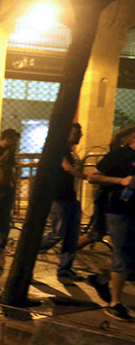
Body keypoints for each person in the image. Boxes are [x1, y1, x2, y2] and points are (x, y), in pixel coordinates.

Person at [85, 126, 135, 322]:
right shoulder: (119, 155)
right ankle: (115, 304)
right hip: (119, 211)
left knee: (130, 260)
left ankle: (100, 279)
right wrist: (121, 180)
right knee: (121, 254)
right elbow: (93, 177)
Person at [38, 124, 88, 280]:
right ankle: (29, 250)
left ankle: (65, 268)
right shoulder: (58, 149)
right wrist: (86, 177)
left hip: (69, 197)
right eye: (75, 133)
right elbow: (66, 168)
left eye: (80, 133)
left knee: (72, 236)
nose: (79, 136)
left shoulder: (68, 151)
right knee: (57, 234)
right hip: (58, 198)